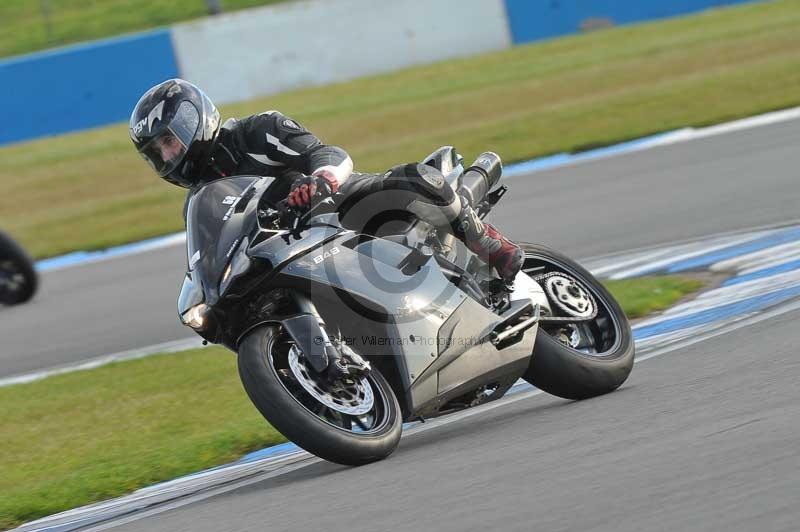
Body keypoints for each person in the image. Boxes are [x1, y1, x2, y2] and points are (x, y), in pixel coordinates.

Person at [129, 79, 523, 283]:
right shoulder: (199, 202)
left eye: (168, 139)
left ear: (191, 120)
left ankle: (487, 242)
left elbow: (328, 153)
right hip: (295, 253)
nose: (167, 155)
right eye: (156, 151)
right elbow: (211, 258)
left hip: (338, 205)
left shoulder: (257, 131)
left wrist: (320, 181)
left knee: (419, 177)